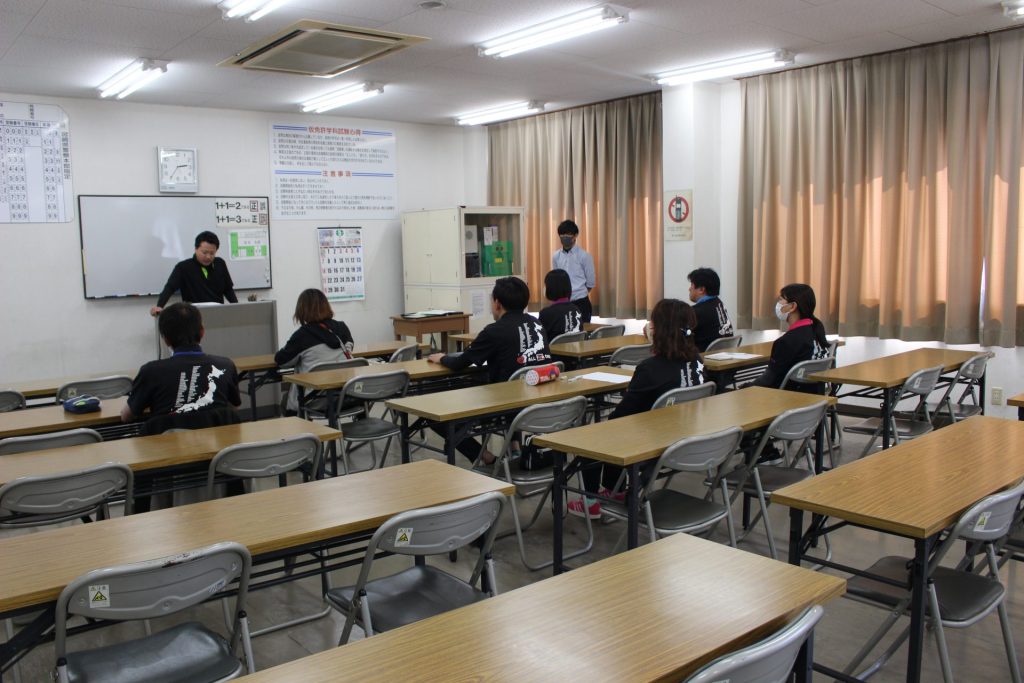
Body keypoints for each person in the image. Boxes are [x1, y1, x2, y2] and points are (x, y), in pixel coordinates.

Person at [570, 298, 706, 518]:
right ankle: (614, 490)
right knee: (619, 429)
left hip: (653, 443)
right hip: (686, 436)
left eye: (652, 322)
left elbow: (622, 416)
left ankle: (591, 501)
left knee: (594, 434)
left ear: (659, 330)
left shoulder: (650, 368)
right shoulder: (696, 361)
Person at [428, 276, 552, 463]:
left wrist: (442, 358)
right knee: (514, 382)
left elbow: (460, 363)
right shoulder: (537, 324)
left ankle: (486, 458)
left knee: (435, 415)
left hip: (506, 407)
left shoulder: (494, 331)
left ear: (497, 303)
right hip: (539, 401)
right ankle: (514, 447)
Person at [122, 302, 241, 434]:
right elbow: (234, 409)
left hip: (166, 446)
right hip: (218, 446)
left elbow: (126, 416)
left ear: (165, 339)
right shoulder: (225, 366)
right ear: (202, 332)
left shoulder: (150, 372)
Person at [275, 288, 355, 415]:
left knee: (286, 400)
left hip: (316, 398)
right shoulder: (342, 327)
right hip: (347, 395)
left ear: (302, 310)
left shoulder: (302, 335)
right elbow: (349, 347)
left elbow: (282, 361)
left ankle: (302, 427)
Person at [750, 283, 829, 393]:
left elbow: (769, 381)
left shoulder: (786, 342)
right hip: (816, 396)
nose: (778, 304)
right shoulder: (816, 330)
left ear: (793, 306)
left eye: (781, 299)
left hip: (789, 398)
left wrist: (744, 388)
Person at [150, 231, 237, 317]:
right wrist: (159, 306)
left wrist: (237, 307)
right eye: (204, 252)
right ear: (196, 249)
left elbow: (228, 289)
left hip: (217, 313)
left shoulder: (220, 264)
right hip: (192, 316)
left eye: (212, 253)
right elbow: (170, 288)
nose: (208, 257)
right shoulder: (183, 267)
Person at [551, 219, 596, 322]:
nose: (564, 237)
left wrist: (578, 292)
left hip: (581, 302)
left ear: (575, 235)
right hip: (562, 303)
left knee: (582, 330)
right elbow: (556, 278)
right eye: (562, 235)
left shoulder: (584, 256)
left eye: (568, 234)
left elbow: (590, 283)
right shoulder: (556, 256)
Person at [687, 267, 734, 352]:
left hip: (703, 357)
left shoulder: (696, 312)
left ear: (701, 289)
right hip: (723, 355)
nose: (689, 289)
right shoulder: (719, 304)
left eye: (692, 285)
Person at [538, 269, 583, 341]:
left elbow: (540, 339)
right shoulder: (576, 309)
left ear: (551, 288)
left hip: (553, 348)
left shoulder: (546, 313)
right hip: (574, 347)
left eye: (545, 285)